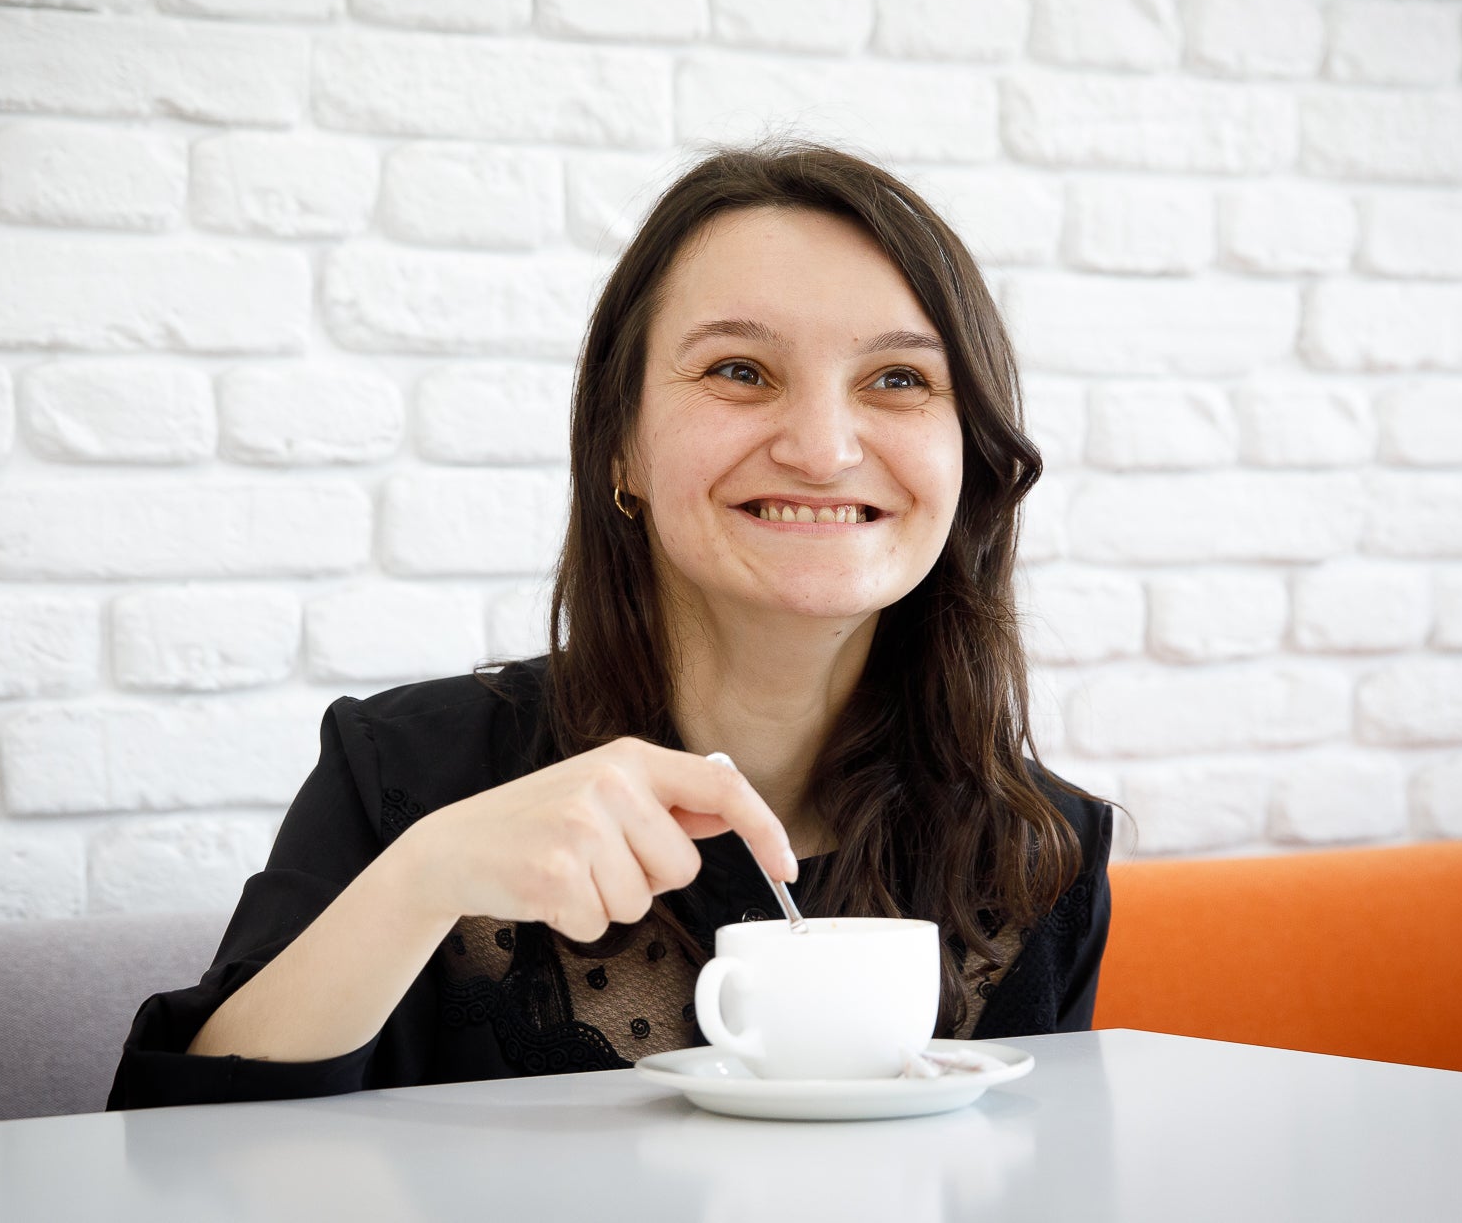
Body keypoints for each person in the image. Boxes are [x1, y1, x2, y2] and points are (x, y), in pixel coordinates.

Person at [108, 141, 1115, 1108]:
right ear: (620, 451)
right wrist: (425, 876)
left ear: (970, 456)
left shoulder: (1041, 850)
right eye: (739, 370)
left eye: (898, 379)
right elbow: (175, 1158)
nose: (821, 447)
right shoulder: (408, 772)